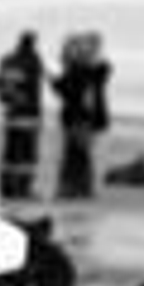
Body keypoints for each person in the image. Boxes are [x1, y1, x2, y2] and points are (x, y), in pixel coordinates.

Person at [51, 32, 112, 200]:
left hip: (80, 117)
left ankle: (75, 188)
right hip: (77, 117)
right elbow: (68, 91)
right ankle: (79, 188)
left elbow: (73, 92)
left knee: (78, 153)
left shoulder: (85, 70)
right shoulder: (80, 70)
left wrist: (57, 83)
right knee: (77, 153)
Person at [0, 31, 44, 201]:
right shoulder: (33, 61)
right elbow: (35, 88)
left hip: (11, 114)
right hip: (29, 115)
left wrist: (8, 102)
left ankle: (6, 188)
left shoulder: (7, 60)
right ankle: (22, 189)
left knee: (10, 154)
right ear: (33, 44)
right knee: (27, 155)